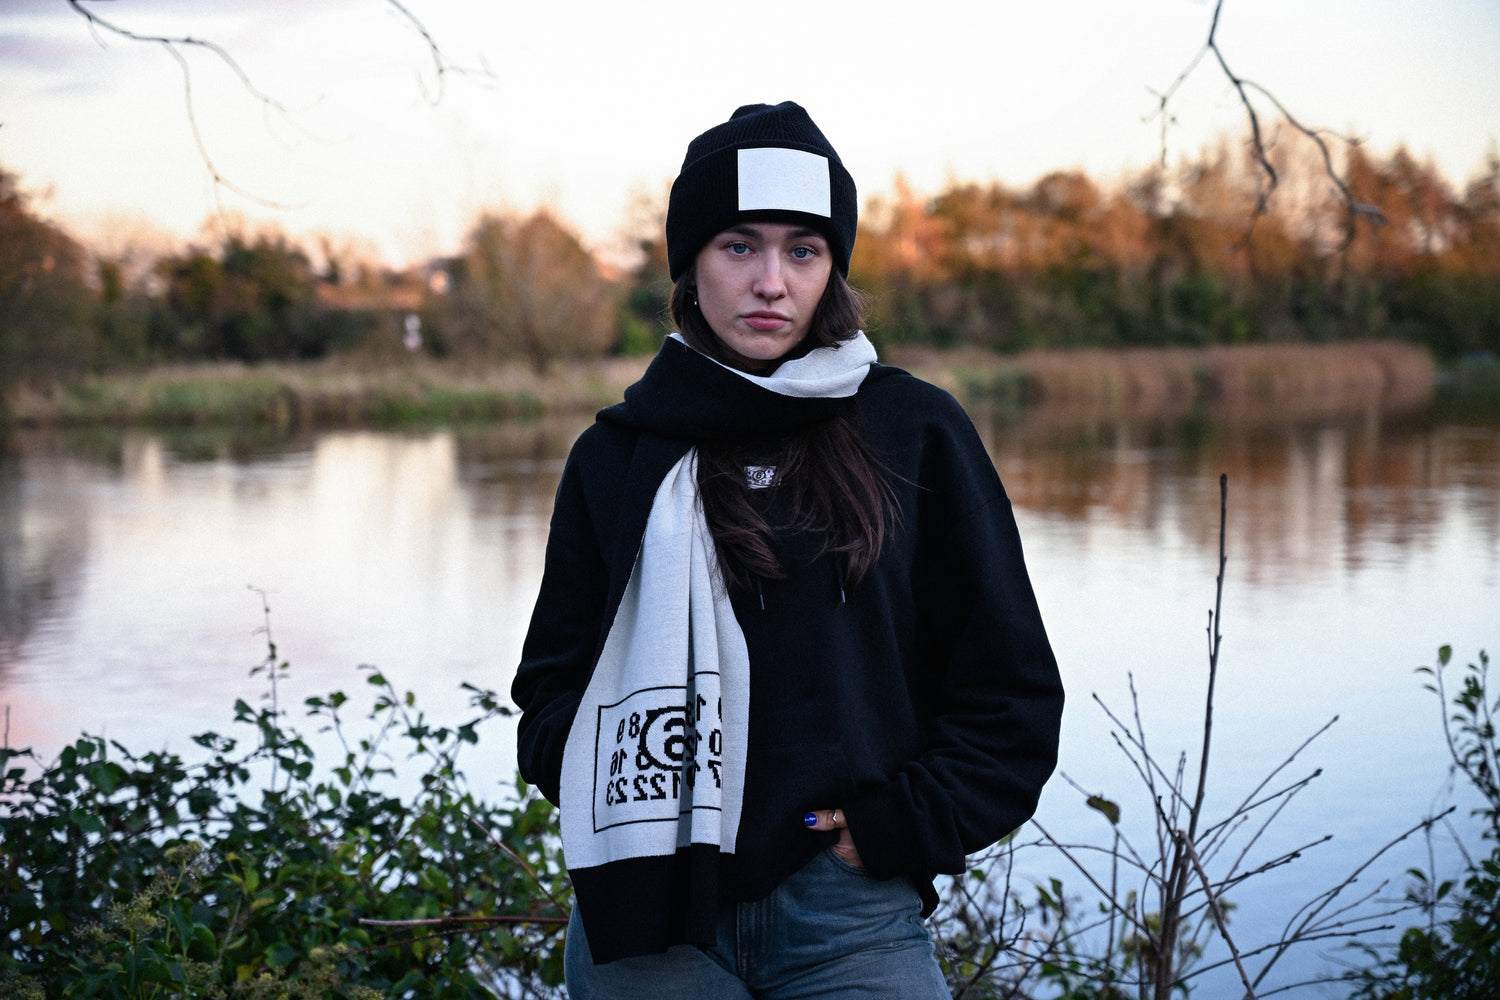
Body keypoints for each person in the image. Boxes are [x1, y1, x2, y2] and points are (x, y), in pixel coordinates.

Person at [511, 101, 1064, 999]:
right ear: (690, 264)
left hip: (850, 917)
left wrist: (896, 827)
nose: (771, 281)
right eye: (739, 246)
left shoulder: (914, 431)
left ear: (832, 270)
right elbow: (550, 688)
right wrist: (621, 795)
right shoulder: (616, 457)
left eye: (802, 251)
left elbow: (1010, 688)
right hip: (647, 920)